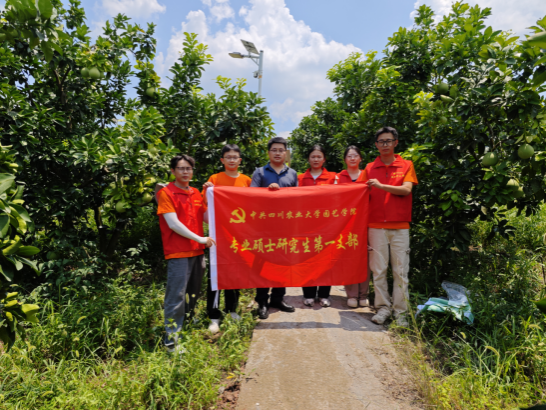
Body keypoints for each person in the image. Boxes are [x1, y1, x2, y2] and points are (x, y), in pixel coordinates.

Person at [156, 154, 216, 352]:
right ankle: (171, 340)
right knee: (176, 295)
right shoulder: (166, 193)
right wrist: (200, 239)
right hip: (178, 252)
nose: (185, 172)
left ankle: (186, 322)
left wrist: (212, 196)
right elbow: (173, 224)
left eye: (188, 168)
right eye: (181, 168)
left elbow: (207, 217)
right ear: (173, 171)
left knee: (193, 292)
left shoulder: (195, 193)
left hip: (196, 252)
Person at [361, 127, 418, 327]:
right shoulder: (369, 168)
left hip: (400, 227)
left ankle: (401, 312)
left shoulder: (406, 165)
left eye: (388, 141)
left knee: (401, 272)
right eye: (381, 141)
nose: (385, 144)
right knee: (379, 271)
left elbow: (406, 190)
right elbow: (357, 194)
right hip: (375, 226)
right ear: (376, 145)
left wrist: (380, 186)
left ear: (396, 142)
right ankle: (383, 308)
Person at [202, 144, 251, 334]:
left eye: (235, 157)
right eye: (228, 157)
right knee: (215, 273)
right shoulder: (214, 179)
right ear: (222, 160)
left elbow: (254, 204)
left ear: (240, 160)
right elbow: (204, 204)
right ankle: (213, 315)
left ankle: (232, 310)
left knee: (234, 273)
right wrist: (207, 190)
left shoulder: (246, 180)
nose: (232, 160)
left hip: (238, 236)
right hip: (218, 235)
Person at [250, 136, 298, 319]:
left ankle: (278, 298)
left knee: (282, 264)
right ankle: (262, 301)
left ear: (286, 153)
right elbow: (251, 197)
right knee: (263, 264)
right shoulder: (260, 172)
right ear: (268, 153)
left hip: (285, 227)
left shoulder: (292, 174)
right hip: (264, 228)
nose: (278, 153)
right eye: (274, 150)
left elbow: (297, 199)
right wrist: (267, 192)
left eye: (281, 150)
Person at [298, 144, 337, 307]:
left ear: (324, 159)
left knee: (326, 261)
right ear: (308, 159)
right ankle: (308, 294)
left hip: (327, 226)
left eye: (319, 156)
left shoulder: (333, 177)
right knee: (307, 259)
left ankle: (324, 294)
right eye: (313, 156)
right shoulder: (300, 178)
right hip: (306, 226)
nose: (316, 159)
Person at [337, 146, 371, 309]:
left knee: (365, 259)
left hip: (365, 222)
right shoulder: (338, 177)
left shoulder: (367, 176)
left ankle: (363, 295)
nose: (352, 158)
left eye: (355, 155)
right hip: (346, 224)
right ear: (345, 159)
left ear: (360, 159)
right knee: (348, 258)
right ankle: (351, 295)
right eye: (349, 156)